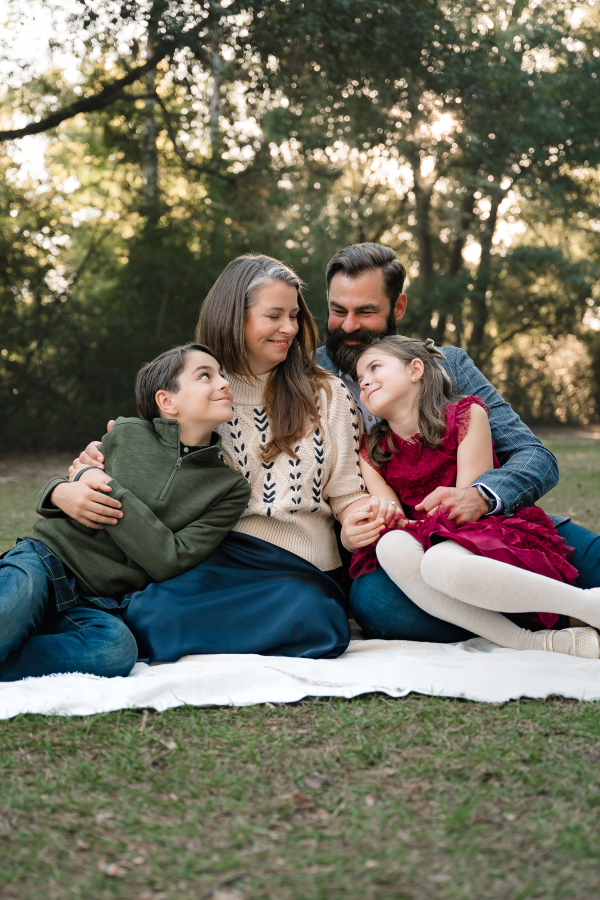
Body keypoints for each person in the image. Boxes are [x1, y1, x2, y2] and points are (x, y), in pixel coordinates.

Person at [62, 255, 378, 660]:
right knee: (149, 613)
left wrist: (359, 520)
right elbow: (150, 465)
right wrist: (88, 467)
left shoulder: (328, 394)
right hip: (215, 555)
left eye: (294, 316)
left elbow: (347, 492)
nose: (289, 329)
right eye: (274, 315)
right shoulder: (201, 391)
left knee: (321, 619)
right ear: (234, 317)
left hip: (302, 566)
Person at [316, 242, 600, 642]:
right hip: (393, 551)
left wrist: (481, 496)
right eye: (337, 310)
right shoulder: (304, 378)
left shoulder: (447, 365)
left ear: (398, 309)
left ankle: (541, 607)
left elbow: (536, 457)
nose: (347, 326)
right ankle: (544, 621)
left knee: (594, 561)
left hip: (486, 527)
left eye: (365, 312)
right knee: (380, 604)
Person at [0, 342, 250, 680]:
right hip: (45, 559)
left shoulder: (228, 488)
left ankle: (12, 651)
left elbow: (169, 560)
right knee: (17, 601)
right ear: (167, 401)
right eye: (206, 375)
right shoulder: (126, 433)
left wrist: (107, 486)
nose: (223, 383)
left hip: (95, 600)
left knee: (115, 651)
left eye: (222, 375)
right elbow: (69, 481)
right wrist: (60, 490)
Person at [344, 335, 600, 657]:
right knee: (392, 545)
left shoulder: (466, 415)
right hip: (421, 546)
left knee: (440, 562)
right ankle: (528, 640)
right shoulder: (373, 452)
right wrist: (377, 520)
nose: (365, 381)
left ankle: (587, 606)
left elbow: (465, 514)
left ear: (415, 370)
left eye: (375, 368)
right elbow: (394, 519)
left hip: (477, 530)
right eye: (360, 378)